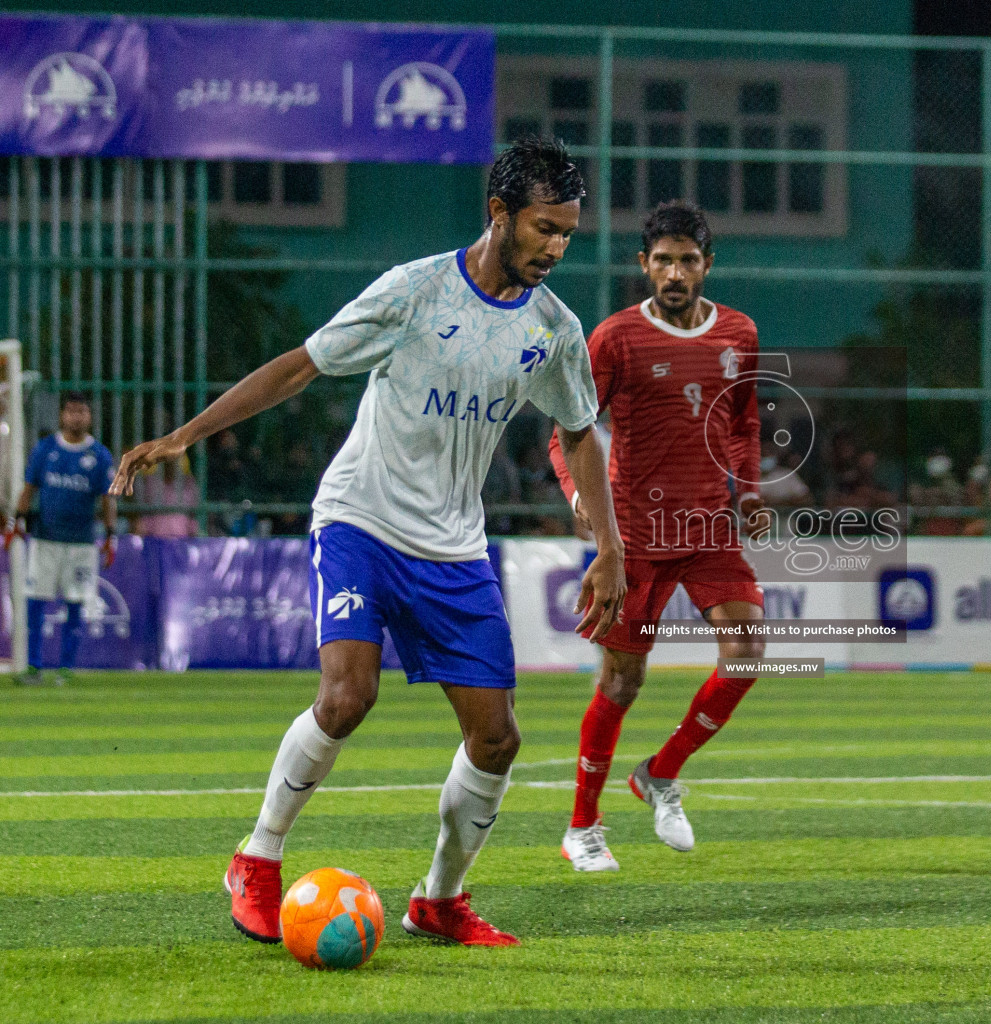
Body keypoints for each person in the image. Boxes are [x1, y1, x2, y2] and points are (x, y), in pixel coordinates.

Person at [110, 137, 626, 947]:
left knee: (497, 738)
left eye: (567, 232)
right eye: (543, 228)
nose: (556, 247)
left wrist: (609, 544)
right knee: (349, 695)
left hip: (455, 548)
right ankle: (258, 856)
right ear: (498, 214)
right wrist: (186, 434)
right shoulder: (414, 292)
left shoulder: (555, 329)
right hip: (363, 521)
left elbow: (581, 431)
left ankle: (439, 900)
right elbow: (300, 368)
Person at [547, 200, 767, 872]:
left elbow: (744, 422)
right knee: (622, 682)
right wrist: (581, 493)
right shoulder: (614, 339)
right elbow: (568, 432)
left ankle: (660, 773)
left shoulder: (738, 333)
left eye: (688, 260)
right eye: (663, 260)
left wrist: (750, 490)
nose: (675, 272)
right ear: (644, 265)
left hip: (708, 529)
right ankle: (583, 826)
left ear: (706, 266)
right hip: (637, 535)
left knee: (748, 654)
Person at [8, 392, 116, 685]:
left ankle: (66, 668)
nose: (76, 417)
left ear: (89, 416)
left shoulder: (99, 456)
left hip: (81, 542)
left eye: (82, 411)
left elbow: (107, 500)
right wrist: (15, 521)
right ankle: (33, 666)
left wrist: (110, 536)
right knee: (36, 603)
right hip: (45, 539)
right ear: (62, 415)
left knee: (75, 603)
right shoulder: (45, 450)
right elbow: (29, 488)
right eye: (71, 411)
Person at [131, 455, 199, 539]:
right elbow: (140, 513)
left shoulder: (188, 483)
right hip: (154, 539)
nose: (171, 463)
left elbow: (195, 515)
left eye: (174, 460)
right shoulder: (150, 482)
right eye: (168, 460)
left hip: (182, 539)